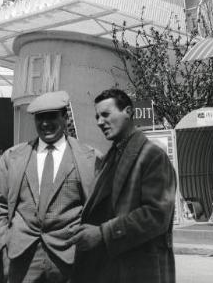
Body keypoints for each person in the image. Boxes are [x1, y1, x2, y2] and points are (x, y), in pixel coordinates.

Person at [0, 91, 100, 283]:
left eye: (52, 116)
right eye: (40, 117)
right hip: (21, 258)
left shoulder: (90, 158)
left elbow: (101, 210)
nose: (45, 123)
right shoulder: (13, 157)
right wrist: (3, 243)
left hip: (71, 258)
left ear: (65, 118)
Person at [71, 89, 176, 283]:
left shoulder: (152, 156)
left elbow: (157, 215)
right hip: (111, 268)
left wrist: (103, 234)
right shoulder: (111, 157)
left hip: (139, 270)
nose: (99, 122)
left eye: (105, 114)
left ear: (128, 111)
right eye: (97, 116)